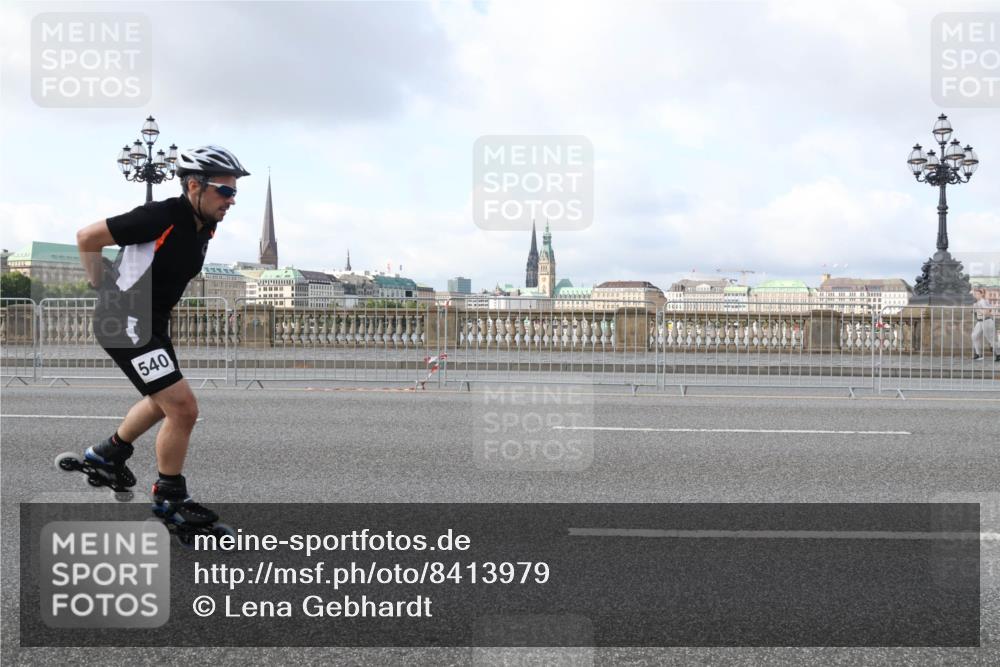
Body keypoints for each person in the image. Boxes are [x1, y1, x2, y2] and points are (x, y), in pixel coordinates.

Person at [75, 145, 249, 526]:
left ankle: (107, 454)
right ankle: (170, 496)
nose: (232, 200)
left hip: (150, 322)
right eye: (225, 190)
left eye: (235, 192)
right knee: (183, 408)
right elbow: (87, 237)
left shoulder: (207, 225)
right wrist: (99, 282)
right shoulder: (161, 215)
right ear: (193, 185)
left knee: (161, 401)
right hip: (124, 322)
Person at [971, 287, 999, 362]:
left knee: (991, 338)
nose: (976, 295)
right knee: (974, 336)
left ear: (981, 294)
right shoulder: (977, 302)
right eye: (975, 294)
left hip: (987, 321)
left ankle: (998, 354)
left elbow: (987, 313)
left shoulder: (982, 301)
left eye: (977, 294)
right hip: (980, 321)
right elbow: (975, 313)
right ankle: (978, 354)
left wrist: (978, 308)